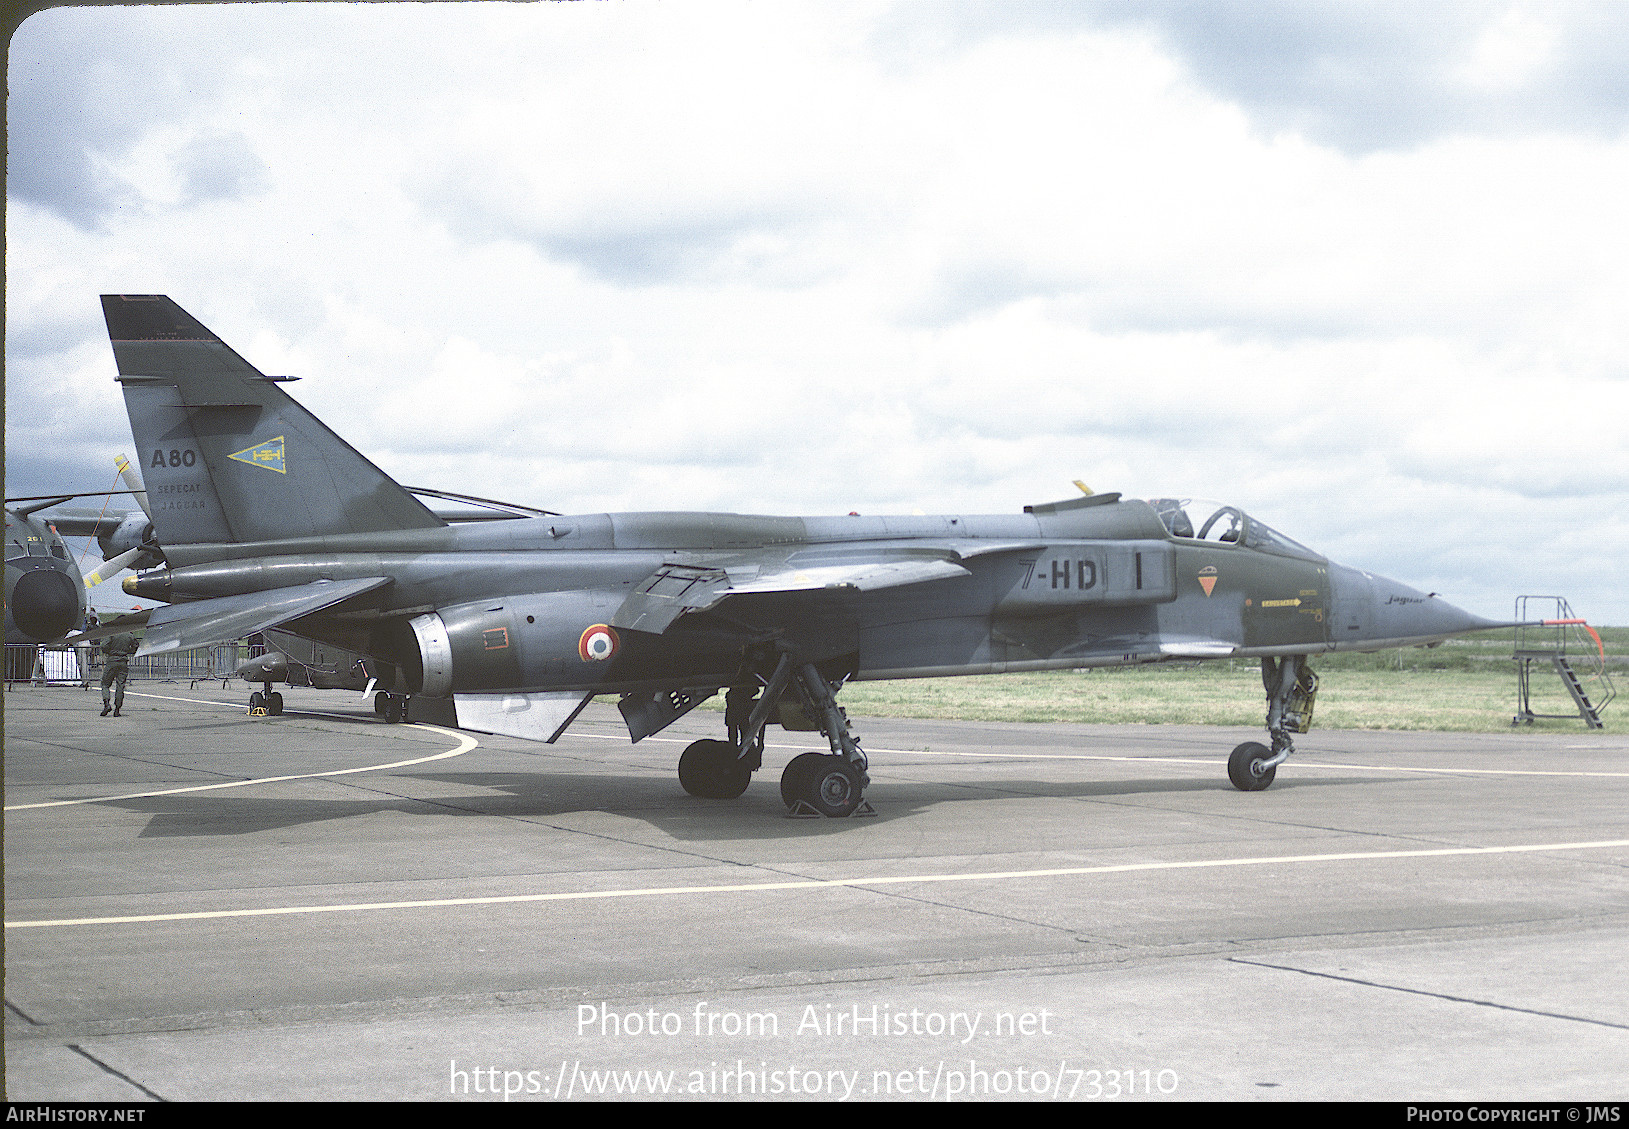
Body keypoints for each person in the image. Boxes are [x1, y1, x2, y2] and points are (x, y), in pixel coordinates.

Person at [100, 631, 139, 716]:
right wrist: (128, 651)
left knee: (105, 684)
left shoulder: (113, 633)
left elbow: (103, 645)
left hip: (112, 660)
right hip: (123, 661)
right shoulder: (130, 635)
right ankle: (117, 709)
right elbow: (136, 646)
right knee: (120, 685)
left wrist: (110, 651)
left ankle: (106, 704)